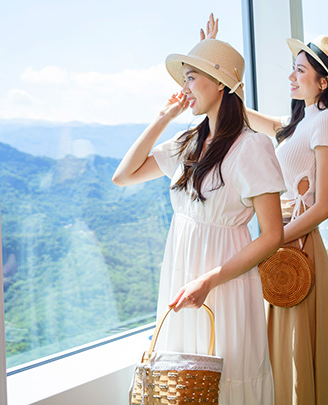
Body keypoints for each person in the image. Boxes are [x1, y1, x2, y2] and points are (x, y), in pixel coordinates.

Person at [112, 38, 286, 405]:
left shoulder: (252, 146)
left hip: (225, 279)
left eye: (191, 78)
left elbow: (272, 235)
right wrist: (164, 117)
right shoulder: (188, 141)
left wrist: (209, 280)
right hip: (181, 273)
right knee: (184, 380)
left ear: (221, 83)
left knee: (228, 378)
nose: (184, 89)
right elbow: (123, 175)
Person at [202, 16, 328, 405]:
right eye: (293, 68)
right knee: (279, 347)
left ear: (323, 83)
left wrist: (272, 241)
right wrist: (213, 65)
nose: (291, 76)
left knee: (292, 351)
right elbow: (245, 113)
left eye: (300, 70)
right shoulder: (300, 122)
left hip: (295, 245)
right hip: (281, 241)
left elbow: (324, 206)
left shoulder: (327, 121)